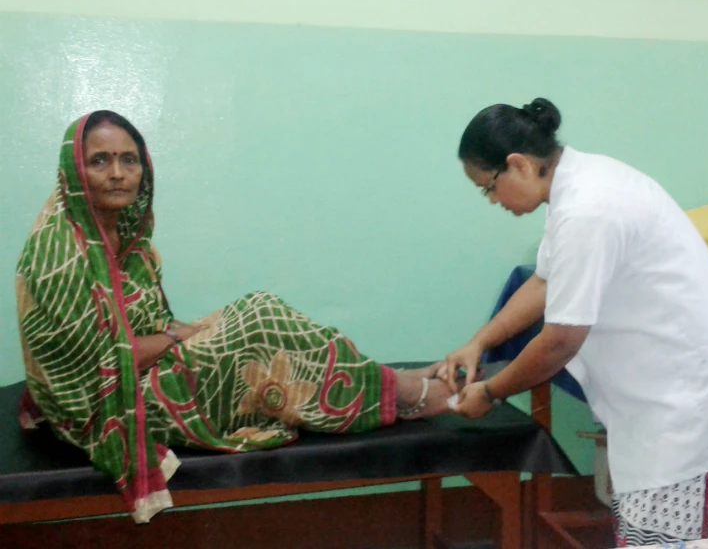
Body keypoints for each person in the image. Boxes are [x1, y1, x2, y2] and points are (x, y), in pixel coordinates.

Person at [15, 111, 453, 523]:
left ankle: (387, 383)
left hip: (142, 371)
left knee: (258, 312)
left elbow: (140, 325)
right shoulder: (59, 256)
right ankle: (404, 393)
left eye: (129, 160)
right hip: (106, 406)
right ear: (74, 171)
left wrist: (179, 336)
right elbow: (105, 363)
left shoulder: (127, 237)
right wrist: (174, 338)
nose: (117, 173)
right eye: (100, 161)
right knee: (259, 324)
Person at [439, 97, 708, 547]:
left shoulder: (589, 208)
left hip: (694, 407)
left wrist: (492, 392)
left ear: (518, 165)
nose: (494, 201)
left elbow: (560, 341)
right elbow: (544, 282)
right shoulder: (579, 185)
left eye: (489, 187)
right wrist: (479, 341)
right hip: (666, 400)